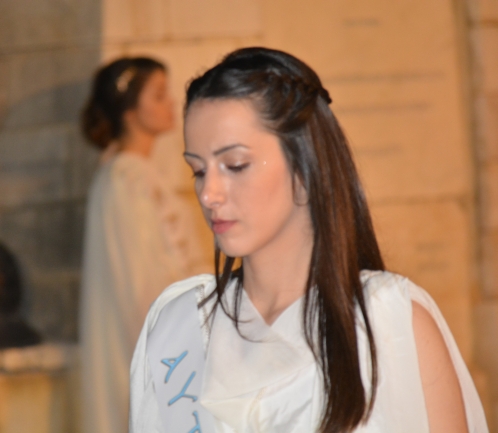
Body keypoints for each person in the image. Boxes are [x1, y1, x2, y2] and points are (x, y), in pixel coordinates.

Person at [130, 47, 488, 433]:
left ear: (304, 166)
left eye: (235, 165)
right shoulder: (180, 325)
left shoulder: (390, 321)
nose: (208, 193)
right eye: (198, 171)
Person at [79, 57, 210, 433]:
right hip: (163, 352)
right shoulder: (126, 179)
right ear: (130, 110)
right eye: (158, 95)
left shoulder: (134, 175)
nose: (171, 103)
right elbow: (140, 282)